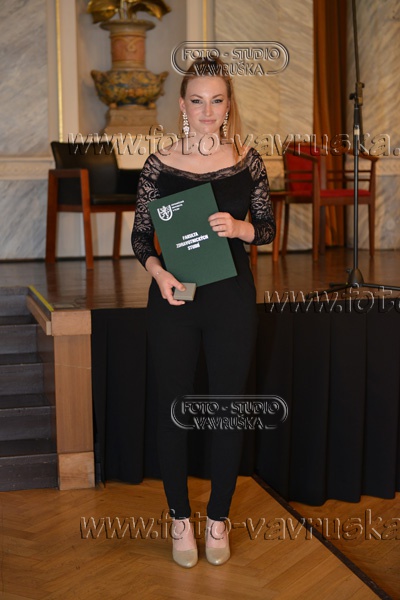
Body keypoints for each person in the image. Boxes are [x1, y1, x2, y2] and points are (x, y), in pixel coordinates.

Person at [131, 57, 276, 568]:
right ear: (182, 105)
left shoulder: (248, 161)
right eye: (197, 100)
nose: (207, 110)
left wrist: (239, 229)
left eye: (217, 100)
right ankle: (178, 519)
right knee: (173, 408)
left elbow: (267, 228)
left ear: (228, 105)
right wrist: (158, 273)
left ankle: (218, 519)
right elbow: (140, 237)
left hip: (231, 299)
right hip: (175, 297)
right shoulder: (158, 165)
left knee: (227, 409)